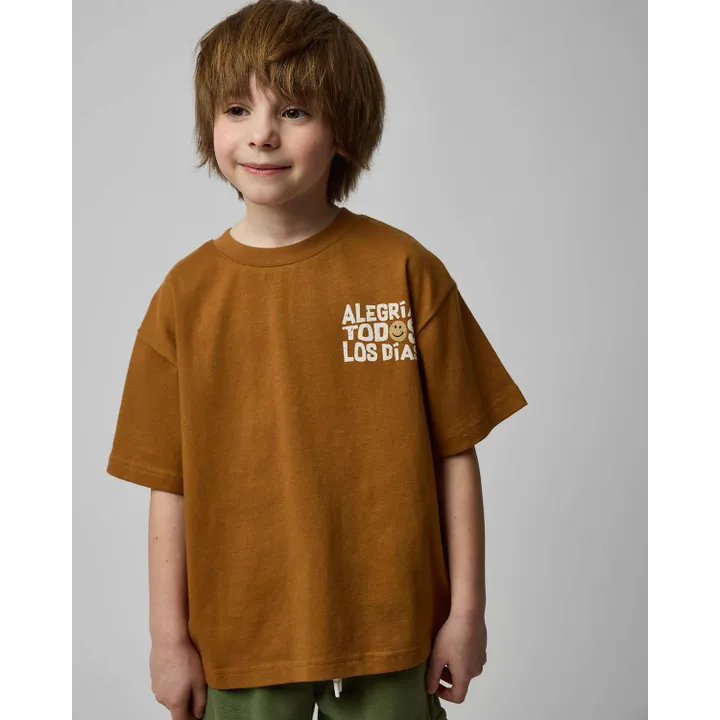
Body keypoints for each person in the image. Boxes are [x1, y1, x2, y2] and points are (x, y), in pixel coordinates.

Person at [105, 1, 528, 718]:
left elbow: (455, 453)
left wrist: (466, 614)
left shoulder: (405, 271)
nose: (262, 133)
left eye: (295, 111)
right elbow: (167, 486)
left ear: (344, 130)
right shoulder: (185, 296)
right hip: (242, 638)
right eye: (237, 108)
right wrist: (167, 639)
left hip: (395, 631)